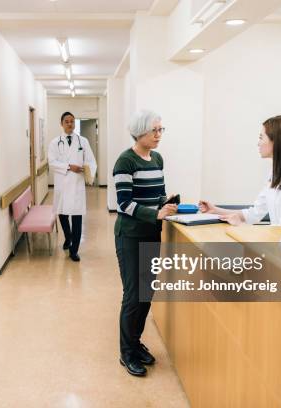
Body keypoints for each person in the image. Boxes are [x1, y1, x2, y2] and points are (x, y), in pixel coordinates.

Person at [113, 110, 177, 377]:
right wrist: (155, 213)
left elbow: (158, 193)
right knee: (133, 296)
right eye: (155, 131)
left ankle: (136, 343)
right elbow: (124, 203)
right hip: (130, 235)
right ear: (140, 132)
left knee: (146, 294)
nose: (159, 135)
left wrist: (167, 202)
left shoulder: (157, 158)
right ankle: (126, 353)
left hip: (151, 232)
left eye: (162, 130)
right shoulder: (125, 162)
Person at [199, 115, 281, 228]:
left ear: (276, 142)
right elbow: (255, 213)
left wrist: (241, 225)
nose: (258, 143)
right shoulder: (277, 174)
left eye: (261, 137)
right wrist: (215, 210)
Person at [48, 112, 97, 262]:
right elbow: (52, 162)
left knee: (77, 216)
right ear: (61, 124)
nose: (70, 124)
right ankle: (68, 237)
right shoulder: (55, 143)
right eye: (67, 121)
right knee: (62, 214)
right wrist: (69, 167)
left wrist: (90, 173)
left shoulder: (83, 141)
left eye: (72, 121)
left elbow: (91, 160)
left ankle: (74, 250)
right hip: (62, 184)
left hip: (77, 185)